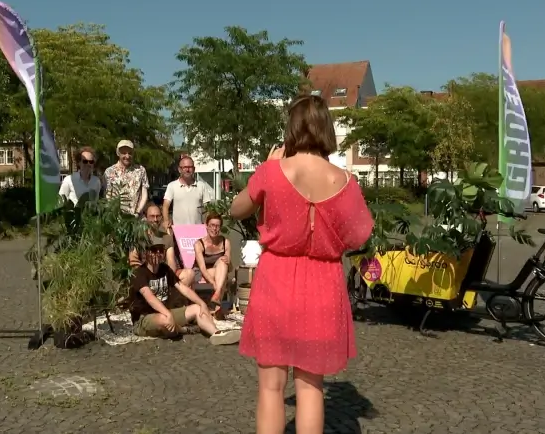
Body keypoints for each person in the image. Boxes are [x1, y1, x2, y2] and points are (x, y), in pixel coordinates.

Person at [229, 94, 374, 434]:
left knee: (270, 387)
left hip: (275, 280)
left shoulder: (272, 171)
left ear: (291, 128)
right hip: (323, 284)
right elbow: (359, 237)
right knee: (311, 390)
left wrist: (265, 169)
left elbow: (237, 209)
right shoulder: (346, 181)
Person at [128, 237, 241, 345]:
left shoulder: (164, 269)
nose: (157, 253)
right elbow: (150, 298)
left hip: (164, 312)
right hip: (144, 319)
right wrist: (168, 314)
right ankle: (183, 330)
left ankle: (217, 334)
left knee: (197, 309)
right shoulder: (139, 273)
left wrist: (202, 303)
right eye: (153, 250)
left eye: (160, 250)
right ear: (146, 253)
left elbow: (183, 288)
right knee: (165, 321)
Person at [129, 203, 197, 287]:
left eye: (158, 216)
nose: (155, 219)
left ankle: (172, 296)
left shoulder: (166, 237)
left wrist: (167, 277)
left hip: (164, 274)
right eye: (152, 216)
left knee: (189, 274)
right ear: (145, 217)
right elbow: (133, 259)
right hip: (145, 274)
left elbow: (171, 261)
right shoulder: (138, 236)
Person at [193, 212, 231, 314]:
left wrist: (228, 260)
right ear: (206, 226)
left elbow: (229, 266)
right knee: (222, 277)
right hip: (200, 273)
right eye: (212, 225)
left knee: (223, 262)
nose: (214, 229)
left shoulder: (225, 242)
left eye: (217, 226)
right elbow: (202, 269)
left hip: (218, 272)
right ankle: (218, 302)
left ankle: (216, 305)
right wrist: (215, 285)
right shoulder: (199, 244)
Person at [162, 156, 214, 228]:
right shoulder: (172, 186)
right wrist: (166, 220)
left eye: (190, 167)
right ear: (179, 169)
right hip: (179, 230)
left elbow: (208, 208)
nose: (187, 170)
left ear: (194, 169)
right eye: (184, 167)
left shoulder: (201, 186)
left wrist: (207, 223)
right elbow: (165, 206)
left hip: (197, 230)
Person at [104, 140, 149, 216]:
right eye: (124, 153)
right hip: (115, 218)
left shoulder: (140, 170)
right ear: (118, 153)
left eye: (130, 153)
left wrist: (137, 212)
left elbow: (144, 194)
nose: (127, 156)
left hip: (136, 218)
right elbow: (106, 195)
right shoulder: (109, 172)